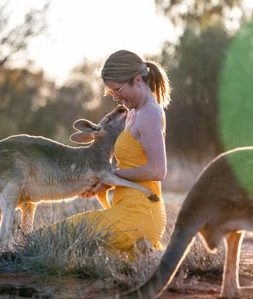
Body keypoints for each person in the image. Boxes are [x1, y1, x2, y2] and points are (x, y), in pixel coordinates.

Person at [57, 49, 171, 254]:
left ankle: (139, 245)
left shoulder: (149, 114)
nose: (116, 98)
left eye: (118, 90)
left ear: (137, 80)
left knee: (59, 236)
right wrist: (102, 185)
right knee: (66, 238)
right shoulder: (133, 113)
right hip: (125, 206)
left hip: (142, 212)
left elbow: (157, 171)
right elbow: (131, 167)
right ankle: (136, 251)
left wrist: (110, 176)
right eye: (111, 93)